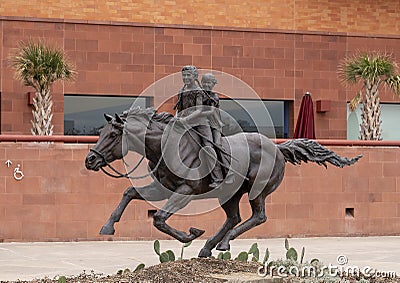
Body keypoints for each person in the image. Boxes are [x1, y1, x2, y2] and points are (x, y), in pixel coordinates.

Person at [173, 66, 223, 188]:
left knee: (208, 147)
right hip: (185, 123)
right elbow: (180, 109)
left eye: (188, 75)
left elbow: (199, 110)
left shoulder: (198, 91)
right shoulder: (182, 90)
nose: (185, 78)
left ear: (195, 77)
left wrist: (185, 119)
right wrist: (176, 118)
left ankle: (218, 178)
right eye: (184, 75)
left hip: (200, 123)